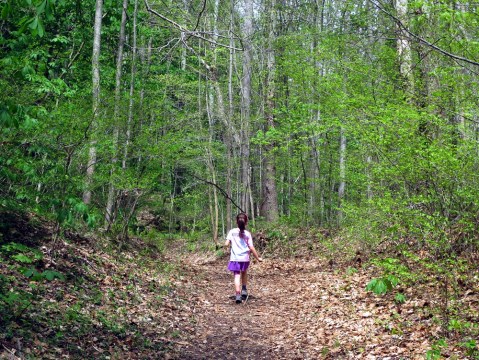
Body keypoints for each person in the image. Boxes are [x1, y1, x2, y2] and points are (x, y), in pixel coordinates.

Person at [224, 213, 262, 303]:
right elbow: (251, 247)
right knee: (244, 273)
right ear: (246, 222)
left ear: (236, 222)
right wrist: (258, 258)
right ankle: (244, 290)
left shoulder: (232, 232)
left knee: (237, 276)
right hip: (245, 258)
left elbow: (226, 244)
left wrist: (225, 245)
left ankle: (238, 295)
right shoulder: (247, 234)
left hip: (235, 258)